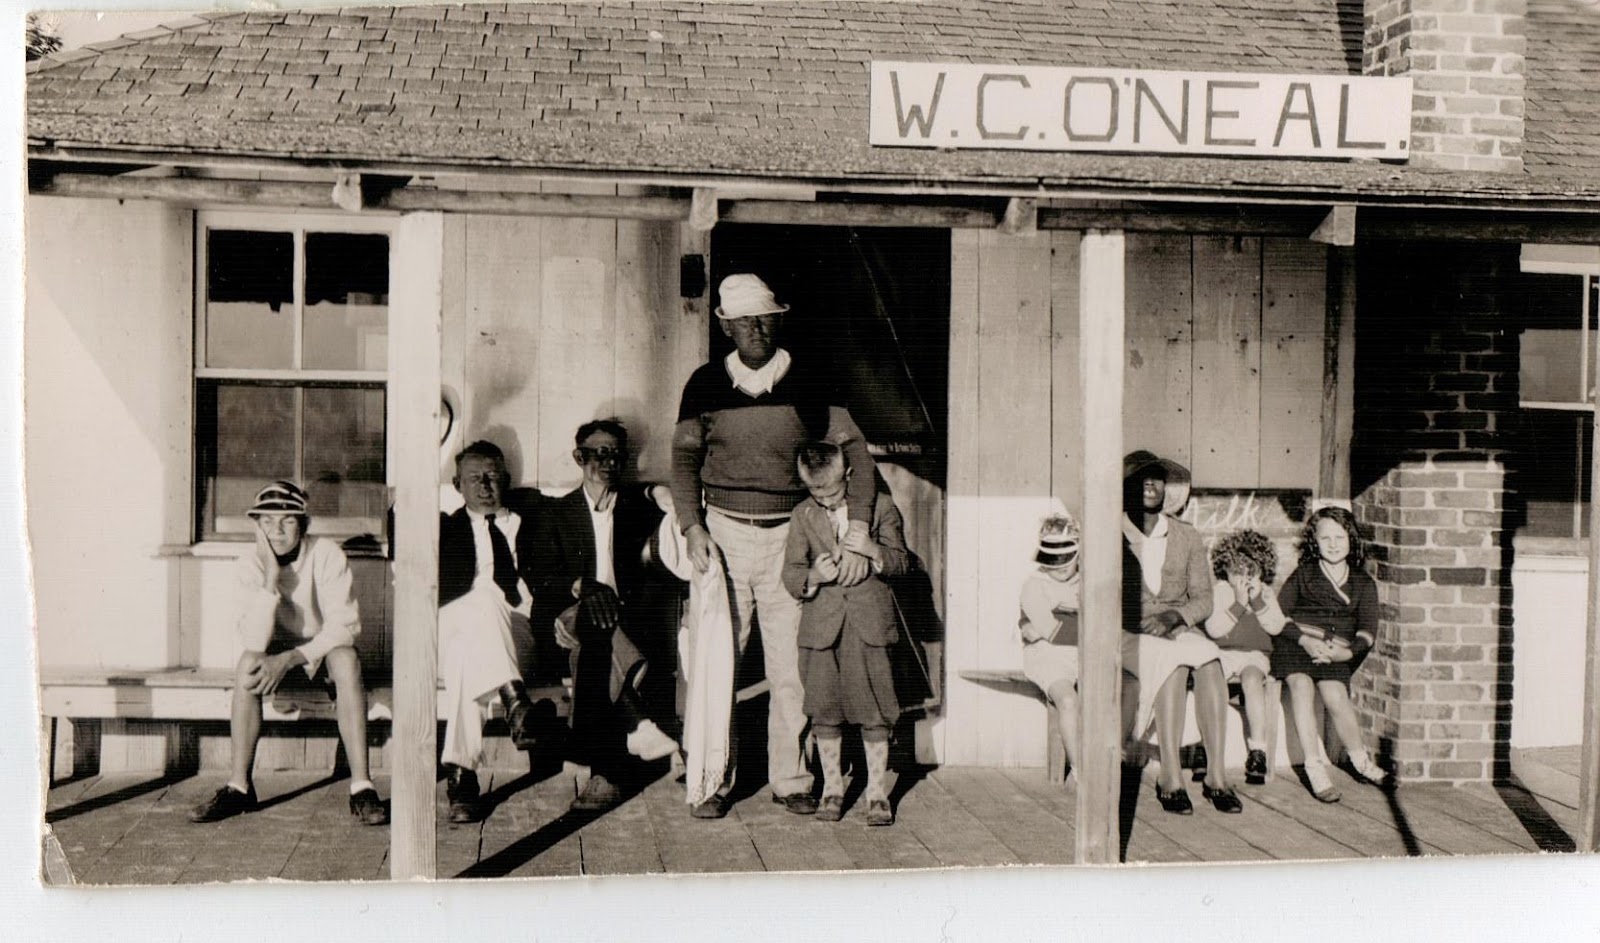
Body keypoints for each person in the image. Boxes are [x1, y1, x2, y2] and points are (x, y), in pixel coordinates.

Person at [670, 273, 878, 819]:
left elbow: (855, 450)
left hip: (791, 536)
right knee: (718, 663)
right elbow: (685, 461)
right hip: (723, 538)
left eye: (764, 317)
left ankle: (791, 777)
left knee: (791, 666)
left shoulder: (810, 378)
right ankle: (713, 778)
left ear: (778, 319)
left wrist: (856, 529)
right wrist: (693, 527)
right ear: (725, 326)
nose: (755, 328)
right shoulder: (703, 385)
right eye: (743, 320)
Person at [189, 481, 387, 826]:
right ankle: (239, 787)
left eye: (287, 520)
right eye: (266, 521)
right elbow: (253, 639)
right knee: (248, 664)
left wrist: (293, 658)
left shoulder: (325, 554)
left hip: (320, 653)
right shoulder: (251, 565)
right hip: (276, 655)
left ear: (304, 524)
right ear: (257, 527)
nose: (276, 530)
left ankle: (361, 788)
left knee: (347, 659)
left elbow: (345, 627)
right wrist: (270, 579)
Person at [528, 419, 681, 813]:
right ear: (579, 457)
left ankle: (605, 773)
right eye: (598, 453)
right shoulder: (555, 512)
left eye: (616, 453)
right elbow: (540, 577)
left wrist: (657, 490)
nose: (608, 461)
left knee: (596, 641)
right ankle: (635, 719)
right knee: (594, 622)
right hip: (568, 617)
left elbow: (673, 507)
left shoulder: (637, 508)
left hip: (619, 626)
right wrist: (581, 586)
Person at [781, 442, 909, 826]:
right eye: (815, 491)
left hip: (868, 628)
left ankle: (876, 795)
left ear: (849, 477)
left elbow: (903, 563)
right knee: (824, 711)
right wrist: (813, 578)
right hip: (821, 631)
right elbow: (790, 573)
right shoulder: (802, 515)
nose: (824, 499)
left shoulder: (881, 508)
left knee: (874, 711)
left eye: (832, 491)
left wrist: (872, 550)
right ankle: (833, 791)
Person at [436, 440, 553, 824]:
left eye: (492, 477)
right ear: (457, 485)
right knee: (480, 603)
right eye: (474, 479)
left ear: (506, 480)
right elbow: (396, 514)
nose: (485, 486)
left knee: (466, 661)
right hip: (456, 624)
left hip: (518, 631)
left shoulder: (532, 517)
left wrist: (654, 488)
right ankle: (515, 702)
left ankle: (461, 778)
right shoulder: (444, 527)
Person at [1121, 450, 1241, 814]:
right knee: (1173, 661)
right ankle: (1170, 776)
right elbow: (1098, 594)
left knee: (1209, 657)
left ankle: (1216, 776)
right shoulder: (1112, 535)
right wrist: (1140, 620)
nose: (1151, 484)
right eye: (1142, 478)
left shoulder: (1186, 536)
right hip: (1128, 634)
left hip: (1174, 626)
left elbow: (1203, 599)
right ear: (1126, 486)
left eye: (1157, 477)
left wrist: (1175, 618)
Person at [1272, 505, 1387, 802]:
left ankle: (1360, 760)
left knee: (1335, 694)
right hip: (1298, 643)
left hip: (1336, 650)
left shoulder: (1363, 583)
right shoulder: (1305, 574)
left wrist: (1344, 654)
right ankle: (1314, 765)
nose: (1333, 545)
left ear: (1352, 540)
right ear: (1315, 542)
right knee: (1300, 686)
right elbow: (1279, 617)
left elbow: (1367, 630)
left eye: (1340, 537)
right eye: (1326, 539)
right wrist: (1305, 642)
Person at [1203, 529, 1287, 786]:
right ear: (1225, 571)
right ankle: (1203, 749)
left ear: (1262, 571)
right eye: (1237, 572)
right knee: (1209, 679)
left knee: (1252, 680)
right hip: (1223, 654)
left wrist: (1258, 601)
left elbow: (1276, 627)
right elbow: (1214, 629)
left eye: (1251, 572)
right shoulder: (1221, 592)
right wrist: (1239, 603)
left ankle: (1258, 750)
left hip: (1254, 655)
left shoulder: (1266, 594)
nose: (1244, 578)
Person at [1017, 512, 1085, 782]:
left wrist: (1055, 626)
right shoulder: (1034, 585)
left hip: (1083, 655)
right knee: (1068, 700)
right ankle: (1081, 770)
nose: (1059, 566)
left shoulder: (1087, 580)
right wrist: (1084, 625)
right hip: (1047, 656)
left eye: (1066, 558)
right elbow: (1053, 632)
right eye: (1052, 560)